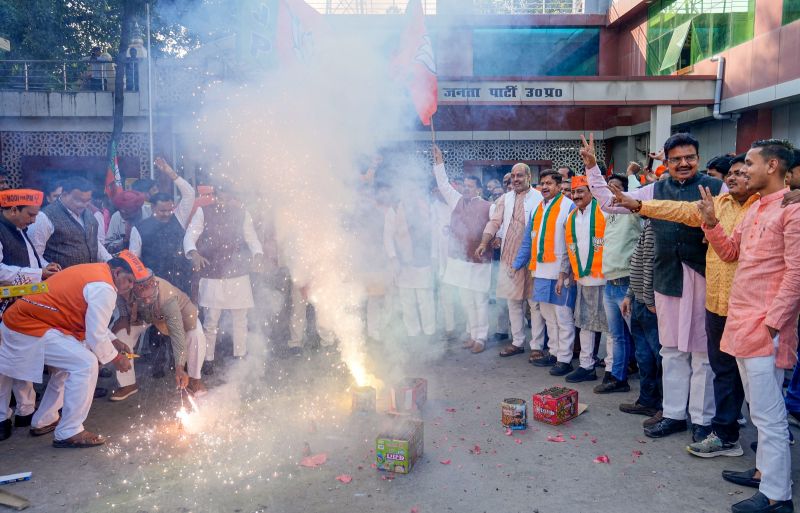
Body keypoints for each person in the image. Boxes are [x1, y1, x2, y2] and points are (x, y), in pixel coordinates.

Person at [612, 152, 757, 457]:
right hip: (690, 287)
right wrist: (637, 203)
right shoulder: (718, 203)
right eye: (730, 173)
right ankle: (677, 416)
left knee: (714, 362)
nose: (732, 178)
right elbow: (677, 210)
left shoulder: (761, 206)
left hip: (740, 300)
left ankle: (712, 425)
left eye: (744, 172)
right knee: (675, 351)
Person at [582, 132, 722, 442]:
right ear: (667, 162)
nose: (684, 164)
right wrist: (592, 168)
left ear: (698, 159)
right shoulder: (655, 189)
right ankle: (673, 414)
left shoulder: (717, 188)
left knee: (701, 353)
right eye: (676, 159)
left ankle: (702, 420)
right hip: (666, 278)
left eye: (689, 158)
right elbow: (609, 202)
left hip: (703, 277)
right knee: (671, 350)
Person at [699, 139, 800, 513]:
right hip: (743, 325)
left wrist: (772, 325)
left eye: (750, 165)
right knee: (759, 411)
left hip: (764, 329)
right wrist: (710, 222)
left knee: (770, 416)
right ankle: (763, 474)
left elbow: (796, 274)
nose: (743, 172)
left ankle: (777, 496)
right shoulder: (757, 207)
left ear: (773, 166)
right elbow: (729, 252)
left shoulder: (792, 211)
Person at [0, 253, 141, 448]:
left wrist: (114, 340)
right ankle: (70, 431)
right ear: (117, 272)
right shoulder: (105, 288)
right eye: (129, 280)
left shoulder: (97, 272)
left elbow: (91, 319)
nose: (130, 286)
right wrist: (117, 359)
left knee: (71, 363)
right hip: (27, 326)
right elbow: (95, 335)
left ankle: (44, 419)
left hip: (26, 320)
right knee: (85, 363)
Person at [184, 182, 264, 374]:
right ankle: (209, 358)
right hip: (212, 273)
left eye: (229, 198)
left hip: (238, 272)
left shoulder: (242, 214)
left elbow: (251, 238)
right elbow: (189, 236)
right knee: (211, 319)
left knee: (240, 318)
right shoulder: (203, 212)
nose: (224, 202)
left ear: (234, 198)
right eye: (221, 197)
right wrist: (194, 253)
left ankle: (240, 355)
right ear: (215, 196)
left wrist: (258, 254)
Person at [0, 189, 61, 441]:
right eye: (31, 214)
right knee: (3, 365)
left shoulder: (19, 230)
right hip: (3, 308)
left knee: (24, 358)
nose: (34, 220)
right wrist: (39, 275)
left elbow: (30, 261)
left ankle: (26, 409)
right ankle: (2, 417)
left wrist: (44, 267)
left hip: (23, 307)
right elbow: (1, 271)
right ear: (13, 210)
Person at [513, 170, 577, 376]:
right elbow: (527, 241)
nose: (545, 187)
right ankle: (555, 353)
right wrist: (517, 264)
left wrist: (568, 271)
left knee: (563, 316)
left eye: (549, 183)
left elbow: (573, 241)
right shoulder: (537, 208)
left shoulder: (569, 206)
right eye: (542, 184)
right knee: (548, 315)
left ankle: (565, 359)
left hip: (561, 271)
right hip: (541, 271)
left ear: (559, 186)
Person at [431, 145, 492, 353]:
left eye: (470, 186)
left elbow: (496, 228)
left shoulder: (487, 206)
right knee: (467, 301)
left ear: (478, 189)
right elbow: (444, 184)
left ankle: (481, 338)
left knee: (479, 300)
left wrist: (495, 241)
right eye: (464, 186)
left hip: (480, 261)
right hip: (460, 261)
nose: (466, 189)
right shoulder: (457, 200)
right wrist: (439, 163)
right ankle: (473, 334)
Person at [478, 163, 543, 359]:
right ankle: (517, 342)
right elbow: (494, 222)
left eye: (520, 176)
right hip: (508, 255)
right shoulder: (504, 199)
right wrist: (484, 242)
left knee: (534, 303)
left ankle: (537, 346)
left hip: (533, 257)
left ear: (528, 177)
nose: (515, 179)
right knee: (513, 302)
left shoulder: (539, 198)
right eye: (513, 176)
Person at [110, 270, 207, 401]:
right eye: (143, 298)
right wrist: (123, 316)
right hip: (146, 317)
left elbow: (178, 335)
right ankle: (128, 384)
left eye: (151, 296)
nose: (148, 300)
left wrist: (179, 368)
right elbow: (120, 296)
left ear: (155, 285)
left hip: (180, 314)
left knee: (195, 335)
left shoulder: (168, 299)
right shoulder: (127, 286)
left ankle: (194, 379)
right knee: (121, 336)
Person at [595, 173, 641, 393]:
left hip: (627, 284)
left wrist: (632, 176)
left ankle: (651, 391)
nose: (611, 192)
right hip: (610, 282)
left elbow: (639, 190)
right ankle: (618, 378)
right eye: (609, 188)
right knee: (617, 336)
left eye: (616, 188)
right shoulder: (608, 213)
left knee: (638, 337)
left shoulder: (632, 212)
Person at [561, 176, 609, 384]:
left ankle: (612, 370)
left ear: (592, 192)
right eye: (574, 192)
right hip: (582, 279)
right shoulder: (571, 217)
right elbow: (568, 249)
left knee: (610, 329)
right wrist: (566, 272)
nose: (577, 195)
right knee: (585, 324)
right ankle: (586, 366)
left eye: (581, 191)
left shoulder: (605, 212)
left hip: (606, 280)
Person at [129, 158, 195, 295]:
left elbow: (190, 194)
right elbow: (134, 259)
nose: (167, 214)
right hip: (155, 285)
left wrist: (171, 174)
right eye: (162, 211)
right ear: (153, 208)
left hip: (182, 281)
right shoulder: (140, 229)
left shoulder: (178, 217)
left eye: (169, 210)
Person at [618, 217, 662, 419]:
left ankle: (663, 407)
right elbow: (637, 264)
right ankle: (646, 401)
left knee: (658, 358)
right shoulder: (648, 225)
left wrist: (648, 300)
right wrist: (630, 295)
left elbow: (651, 265)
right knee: (644, 357)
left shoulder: (656, 226)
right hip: (639, 302)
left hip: (649, 305)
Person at [383, 184, 435, 339]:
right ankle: (413, 333)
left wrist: (434, 257)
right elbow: (388, 237)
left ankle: (429, 333)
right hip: (404, 262)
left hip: (424, 262)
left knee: (425, 301)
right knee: (407, 301)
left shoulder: (426, 208)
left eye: (414, 189)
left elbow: (434, 235)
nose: (411, 193)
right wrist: (393, 258)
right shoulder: (394, 209)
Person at [28, 176, 113, 268]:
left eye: (87, 201)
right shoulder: (44, 217)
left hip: (89, 276)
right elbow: (34, 255)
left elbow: (93, 242)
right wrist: (48, 267)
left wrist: (110, 261)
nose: (83, 205)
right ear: (64, 194)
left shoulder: (89, 215)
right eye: (78, 200)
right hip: (60, 278)